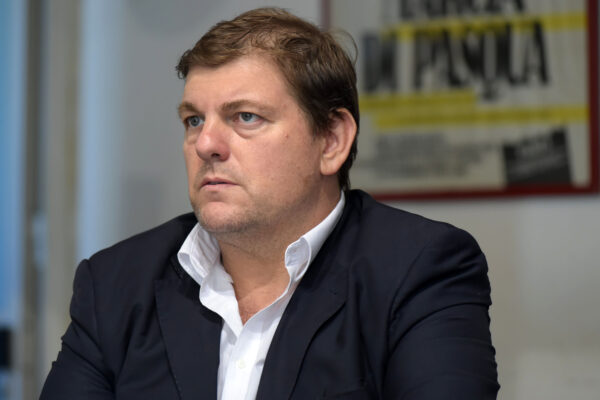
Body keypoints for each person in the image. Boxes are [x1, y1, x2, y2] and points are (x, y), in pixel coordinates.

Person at [40, 7, 499, 400]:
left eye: (245, 117)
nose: (206, 144)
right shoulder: (115, 284)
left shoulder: (420, 269)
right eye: (194, 120)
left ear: (331, 141)